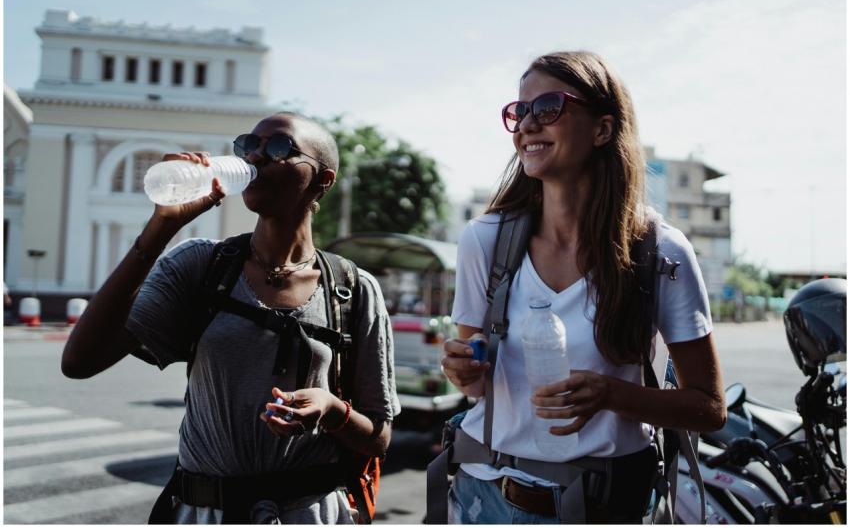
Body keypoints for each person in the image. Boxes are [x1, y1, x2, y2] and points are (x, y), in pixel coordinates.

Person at [62, 112, 400, 524]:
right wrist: (162, 226)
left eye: (279, 148)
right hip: (204, 513)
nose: (255, 157)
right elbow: (79, 362)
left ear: (322, 180)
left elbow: (379, 438)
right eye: (247, 145)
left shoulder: (353, 288)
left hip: (310, 514)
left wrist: (331, 409)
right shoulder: (201, 264)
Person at [441, 51, 726, 523]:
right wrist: (463, 369)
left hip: (608, 504)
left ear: (603, 129)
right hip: (485, 500)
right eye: (519, 111)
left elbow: (709, 407)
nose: (527, 125)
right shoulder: (484, 241)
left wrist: (611, 394)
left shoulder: (661, 251)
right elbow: (473, 376)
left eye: (548, 107)